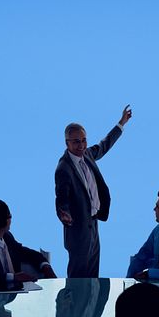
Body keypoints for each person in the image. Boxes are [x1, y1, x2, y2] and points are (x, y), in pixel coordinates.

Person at [55, 105, 132, 277]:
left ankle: (92, 304)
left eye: (83, 140)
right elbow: (61, 198)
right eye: (76, 141)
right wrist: (64, 214)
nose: (81, 145)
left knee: (92, 275)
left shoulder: (88, 155)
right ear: (66, 143)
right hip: (77, 228)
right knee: (78, 278)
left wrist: (121, 123)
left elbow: (104, 146)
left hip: (93, 224)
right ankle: (76, 305)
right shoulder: (63, 169)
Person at [0, 199, 56, 289]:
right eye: (10, 216)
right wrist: (13, 277)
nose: (11, 220)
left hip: (14, 296)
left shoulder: (7, 237)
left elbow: (25, 253)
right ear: (1, 221)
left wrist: (45, 265)